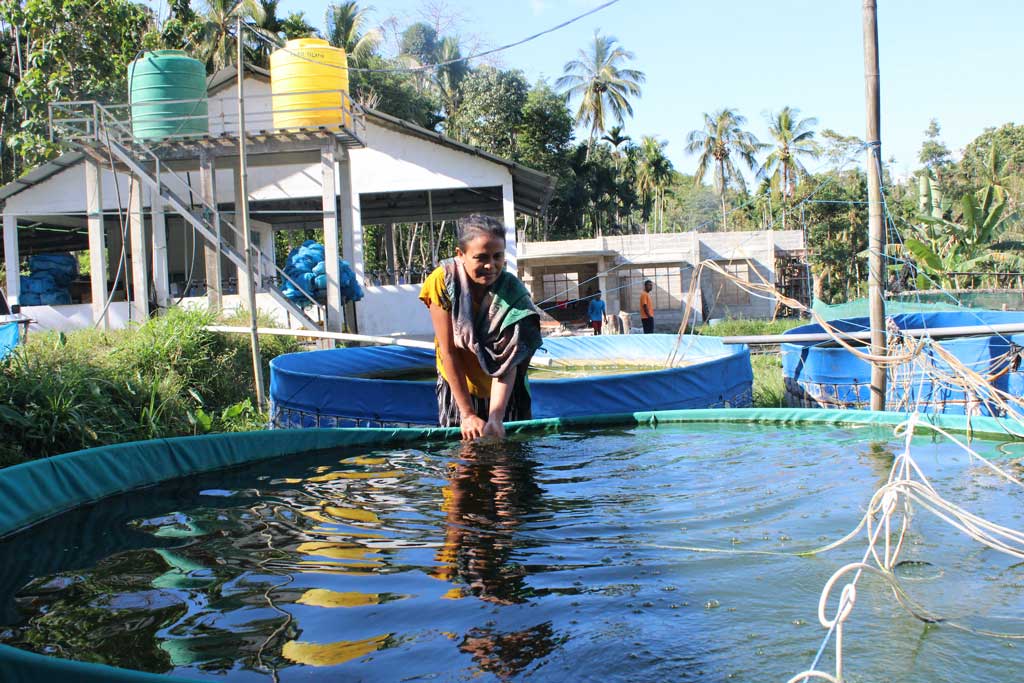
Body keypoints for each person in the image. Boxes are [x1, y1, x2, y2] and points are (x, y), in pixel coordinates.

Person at [419, 215, 542, 440]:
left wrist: (496, 417)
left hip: (505, 388)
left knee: (506, 462)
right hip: (458, 385)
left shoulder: (512, 293)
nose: (490, 265)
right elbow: (449, 351)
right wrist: (467, 414)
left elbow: (509, 360)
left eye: (498, 256)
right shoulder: (443, 282)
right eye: (481, 257)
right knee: (463, 460)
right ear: (460, 255)